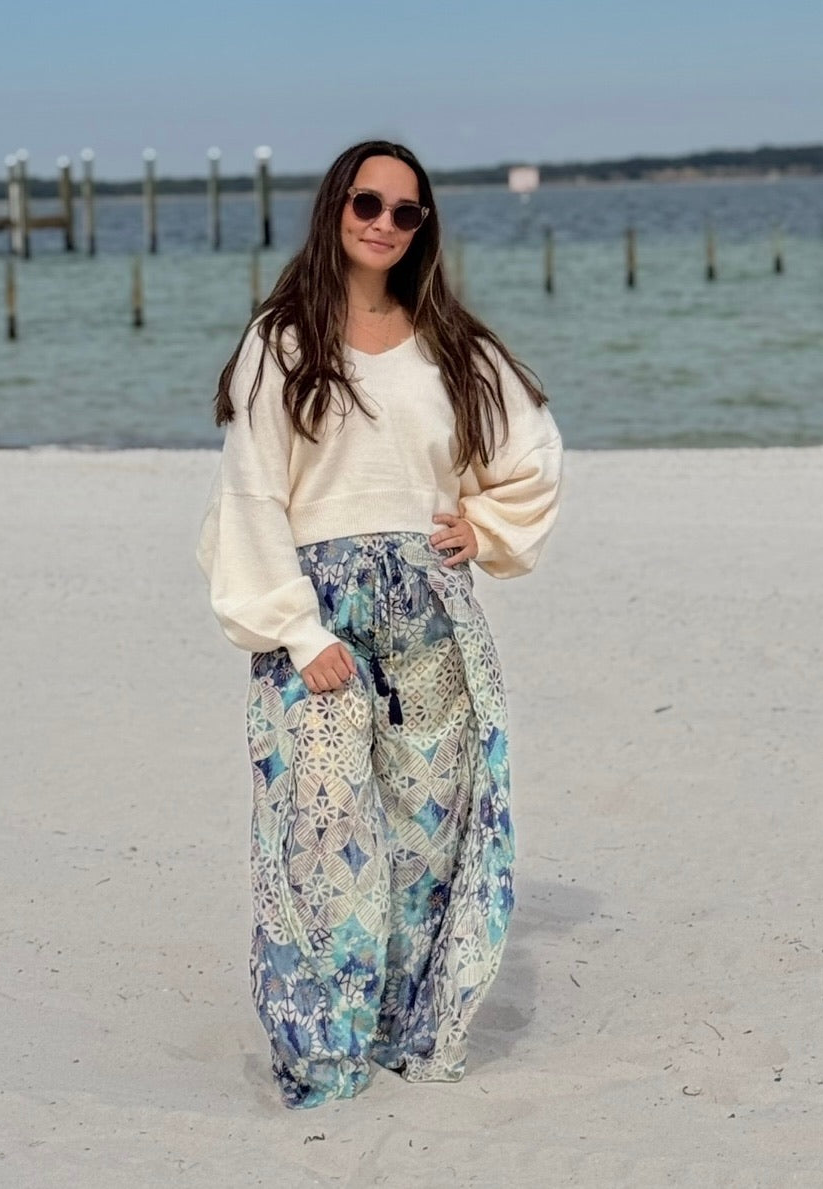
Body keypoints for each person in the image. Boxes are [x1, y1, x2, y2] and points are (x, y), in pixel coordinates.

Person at [196, 139, 562, 1109]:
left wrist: (478, 523)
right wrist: (299, 631)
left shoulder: (454, 346)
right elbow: (251, 494)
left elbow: (533, 453)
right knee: (318, 837)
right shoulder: (282, 341)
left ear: (423, 227)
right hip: (313, 615)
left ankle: (408, 1032)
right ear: (335, 207)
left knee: (429, 835)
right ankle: (322, 1056)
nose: (386, 223)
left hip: (431, 615)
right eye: (369, 202)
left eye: (407, 211)